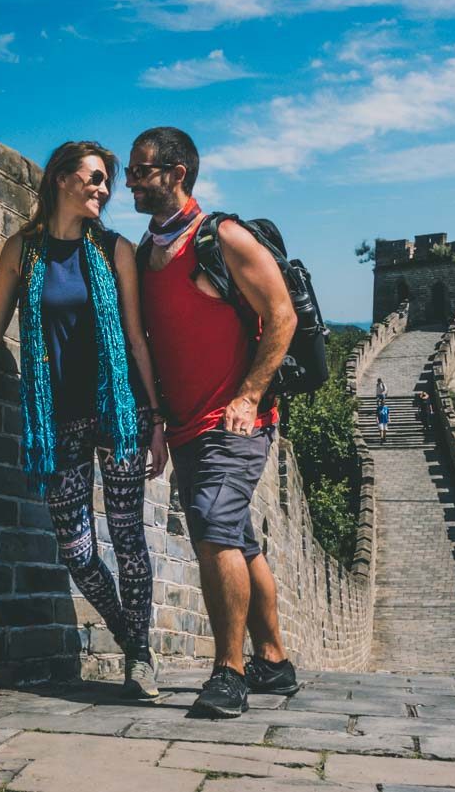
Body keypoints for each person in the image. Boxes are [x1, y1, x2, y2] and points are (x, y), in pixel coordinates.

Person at [0, 141, 168, 701]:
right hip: (55, 420)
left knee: (127, 537)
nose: (104, 189)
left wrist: (156, 419)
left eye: (107, 181)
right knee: (78, 552)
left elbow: (136, 338)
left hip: (119, 412)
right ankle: (132, 639)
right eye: (95, 178)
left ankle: (140, 656)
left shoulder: (115, 250)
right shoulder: (24, 251)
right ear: (60, 179)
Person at [128, 126, 299, 719]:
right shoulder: (149, 253)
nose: (129, 181)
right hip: (183, 424)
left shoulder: (221, 237)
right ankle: (273, 661)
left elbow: (282, 316)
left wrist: (250, 395)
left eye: (140, 170)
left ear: (176, 174)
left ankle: (229, 672)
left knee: (212, 524)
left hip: (234, 421)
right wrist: (156, 419)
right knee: (238, 539)